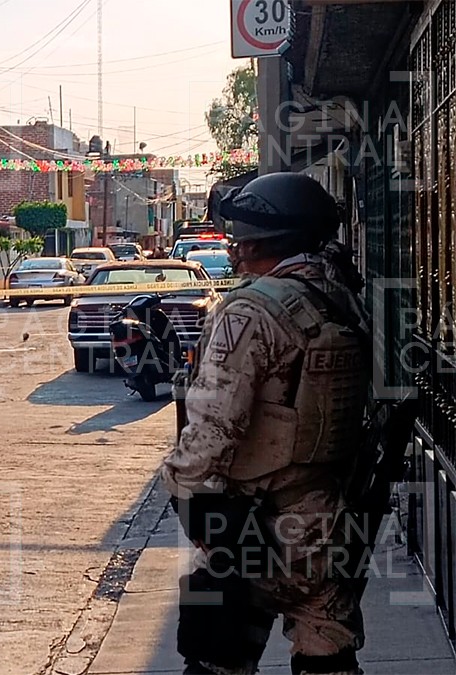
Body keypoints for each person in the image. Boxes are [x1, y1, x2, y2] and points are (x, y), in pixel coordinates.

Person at [161, 172, 372, 675]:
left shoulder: (252, 311)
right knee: (329, 657)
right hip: (330, 524)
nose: (233, 249)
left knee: (214, 648)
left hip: (257, 531)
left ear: (260, 242)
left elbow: (210, 432)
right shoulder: (340, 298)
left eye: (238, 239)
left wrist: (190, 503)